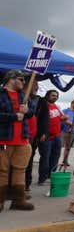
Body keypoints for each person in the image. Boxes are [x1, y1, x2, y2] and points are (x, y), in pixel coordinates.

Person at [0, 70, 35, 211]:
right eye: (21, 79)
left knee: (20, 171)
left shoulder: (23, 96)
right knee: (1, 171)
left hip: (22, 140)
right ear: (11, 79)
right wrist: (14, 117)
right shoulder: (0, 94)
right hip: (3, 140)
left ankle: (18, 200)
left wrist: (27, 111)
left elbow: (31, 112)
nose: (24, 82)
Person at [36, 89, 66, 185]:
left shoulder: (56, 106)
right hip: (46, 137)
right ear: (48, 95)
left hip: (57, 136)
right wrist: (41, 134)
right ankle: (42, 179)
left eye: (56, 96)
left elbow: (60, 118)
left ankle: (50, 175)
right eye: (53, 95)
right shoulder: (43, 106)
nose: (55, 97)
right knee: (45, 158)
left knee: (55, 158)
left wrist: (65, 119)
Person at [24, 81, 39, 192]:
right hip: (19, 136)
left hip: (31, 136)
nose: (37, 87)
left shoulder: (33, 99)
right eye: (34, 84)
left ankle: (25, 184)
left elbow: (31, 113)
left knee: (27, 161)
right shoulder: (21, 98)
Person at [61, 100, 74, 167]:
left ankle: (65, 160)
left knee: (68, 147)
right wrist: (73, 124)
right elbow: (63, 119)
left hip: (73, 131)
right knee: (60, 146)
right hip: (64, 131)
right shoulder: (65, 111)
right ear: (72, 104)